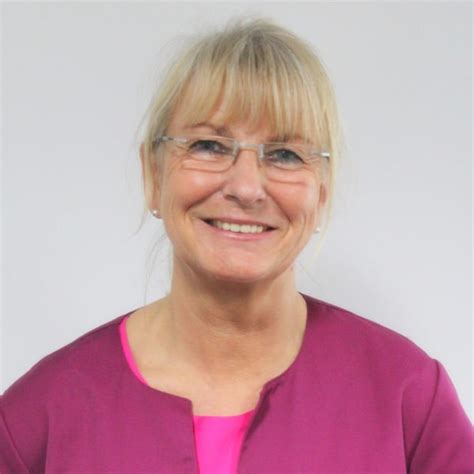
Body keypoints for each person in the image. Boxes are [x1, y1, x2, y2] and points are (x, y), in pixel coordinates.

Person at [1, 17, 472, 474]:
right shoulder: (35, 421)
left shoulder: (409, 399)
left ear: (321, 193)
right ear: (153, 176)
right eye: (208, 146)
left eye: (285, 154)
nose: (246, 188)